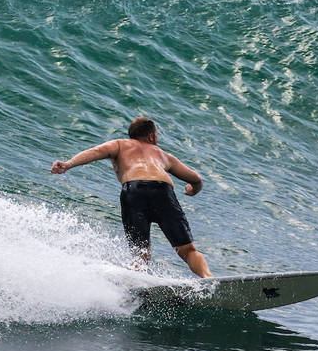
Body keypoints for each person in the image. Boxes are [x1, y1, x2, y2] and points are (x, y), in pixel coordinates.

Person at [50, 117, 211, 277]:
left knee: (141, 254)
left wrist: (68, 164)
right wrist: (193, 190)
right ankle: (208, 278)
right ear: (151, 136)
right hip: (163, 192)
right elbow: (196, 179)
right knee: (188, 250)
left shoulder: (120, 145)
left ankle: (132, 287)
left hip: (134, 192)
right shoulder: (164, 155)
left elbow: (95, 152)